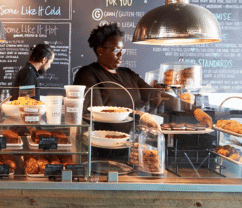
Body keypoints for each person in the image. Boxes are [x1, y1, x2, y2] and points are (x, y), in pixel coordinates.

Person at [73, 23, 211, 130]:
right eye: (116, 50)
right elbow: (99, 111)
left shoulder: (128, 74)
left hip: (132, 142)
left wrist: (195, 111)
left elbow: (156, 95)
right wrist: (140, 115)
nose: (121, 54)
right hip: (102, 147)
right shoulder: (88, 74)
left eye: (122, 50)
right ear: (100, 50)